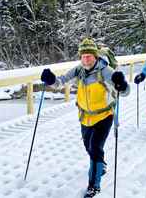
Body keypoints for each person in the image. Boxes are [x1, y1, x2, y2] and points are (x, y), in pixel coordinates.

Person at [40, 38, 129, 197]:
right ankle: (100, 166)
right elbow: (60, 83)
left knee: (95, 148)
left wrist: (121, 84)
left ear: (95, 56)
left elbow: (125, 91)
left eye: (89, 56)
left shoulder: (106, 71)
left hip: (104, 116)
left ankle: (93, 186)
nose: (86, 59)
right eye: (83, 56)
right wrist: (51, 79)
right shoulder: (78, 71)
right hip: (84, 117)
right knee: (89, 148)